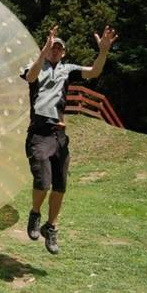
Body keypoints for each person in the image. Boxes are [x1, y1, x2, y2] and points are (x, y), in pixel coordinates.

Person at [21, 25, 118, 254]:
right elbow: (31, 77)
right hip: (39, 132)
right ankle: (35, 213)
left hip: (60, 134)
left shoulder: (68, 69)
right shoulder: (36, 65)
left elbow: (94, 72)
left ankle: (51, 226)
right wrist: (42, 52)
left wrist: (103, 51)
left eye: (58, 48)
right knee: (43, 181)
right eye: (52, 47)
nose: (55, 51)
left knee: (60, 185)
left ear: (63, 52)